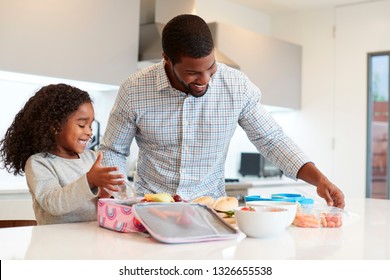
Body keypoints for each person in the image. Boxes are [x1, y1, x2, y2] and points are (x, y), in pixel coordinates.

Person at [100, 14, 345, 208]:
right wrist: (120, 195)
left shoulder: (236, 86)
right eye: (193, 73)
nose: (205, 79)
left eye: (211, 67)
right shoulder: (134, 89)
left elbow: (272, 140)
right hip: (150, 208)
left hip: (211, 211)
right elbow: (113, 150)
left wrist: (320, 180)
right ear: (167, 59)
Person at [0, 84, 125, 225]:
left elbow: (100, 209)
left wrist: (105, 197)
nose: (89, 132)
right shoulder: (40, 163)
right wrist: (89, 180)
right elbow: (53, 204)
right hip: (55, 242)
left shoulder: (92, 158)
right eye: (82, 125)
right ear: (55, 126)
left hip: (91, 239)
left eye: (90, 126)